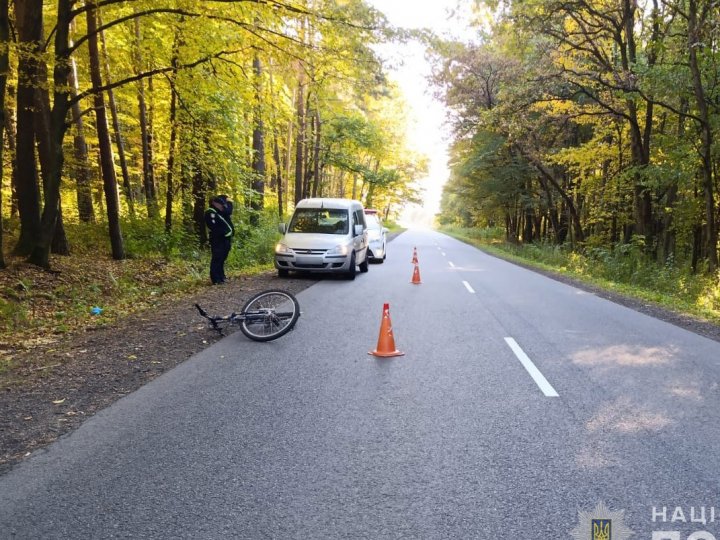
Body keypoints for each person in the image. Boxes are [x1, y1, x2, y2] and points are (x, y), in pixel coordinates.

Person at [204, 195, 234, 284]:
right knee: (217, 258)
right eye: (220, 204)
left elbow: (228, 211)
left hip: (224, 239)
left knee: (221, 258)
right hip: (218, 240)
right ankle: (215, 279)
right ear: (214, 203)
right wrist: (223, 234)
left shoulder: (218, 212)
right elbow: (214, 227)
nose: (222, 206)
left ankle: (220, 276)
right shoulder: (210, 213)